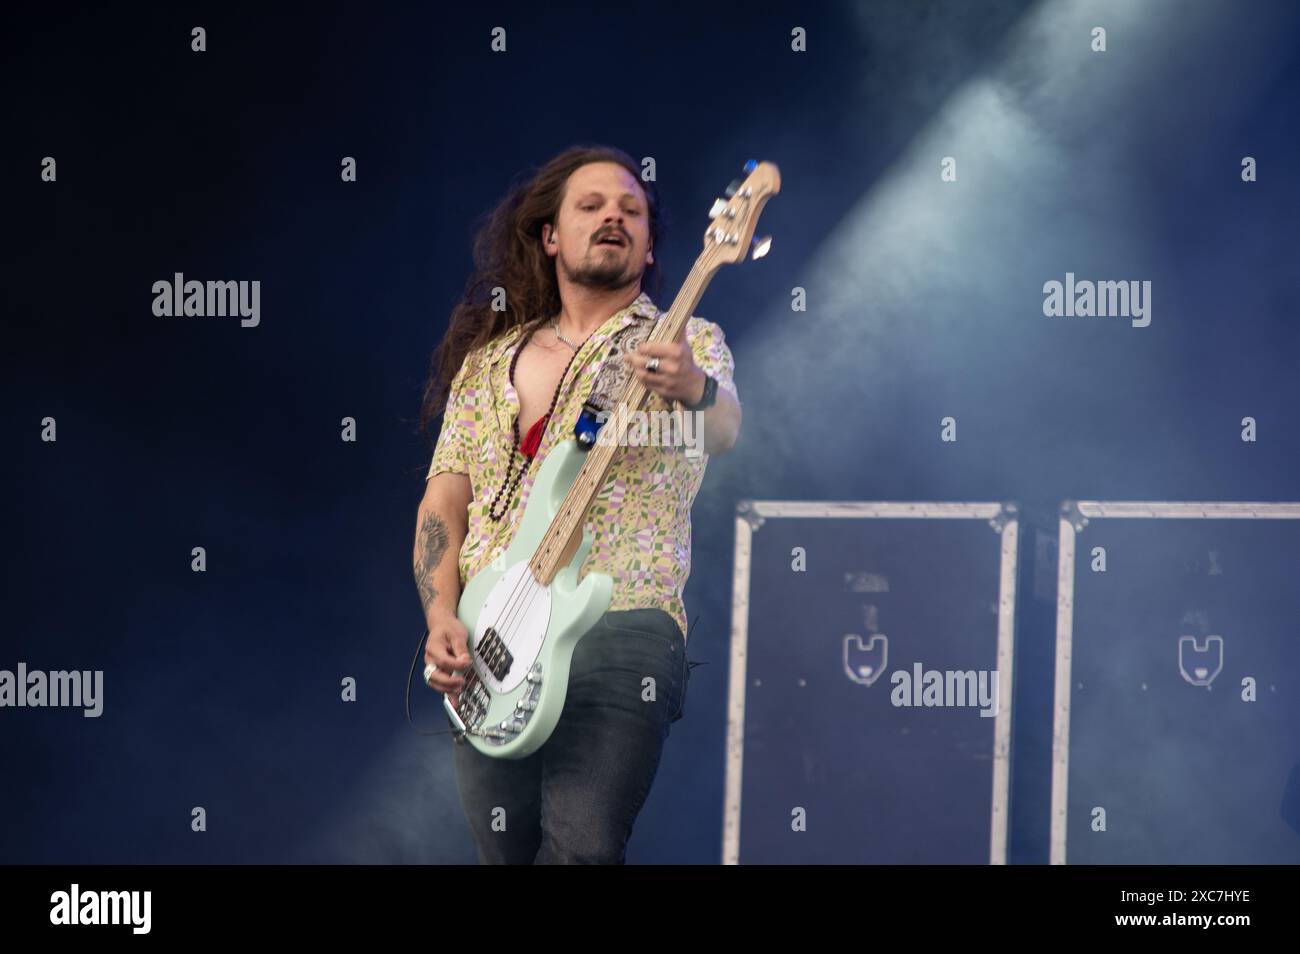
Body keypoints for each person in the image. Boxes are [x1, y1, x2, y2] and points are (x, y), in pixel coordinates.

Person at [413, 144, 741, 863]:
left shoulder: (689, 344)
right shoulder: (488, 363)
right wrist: (442, 614)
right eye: (590, 206)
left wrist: (690, 386)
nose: (613, 218)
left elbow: (722, 427)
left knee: (583, 848)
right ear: (550, 235)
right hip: (491, 639)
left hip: (621, 625)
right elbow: (444, 499)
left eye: (631, 209)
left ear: (651, 242)